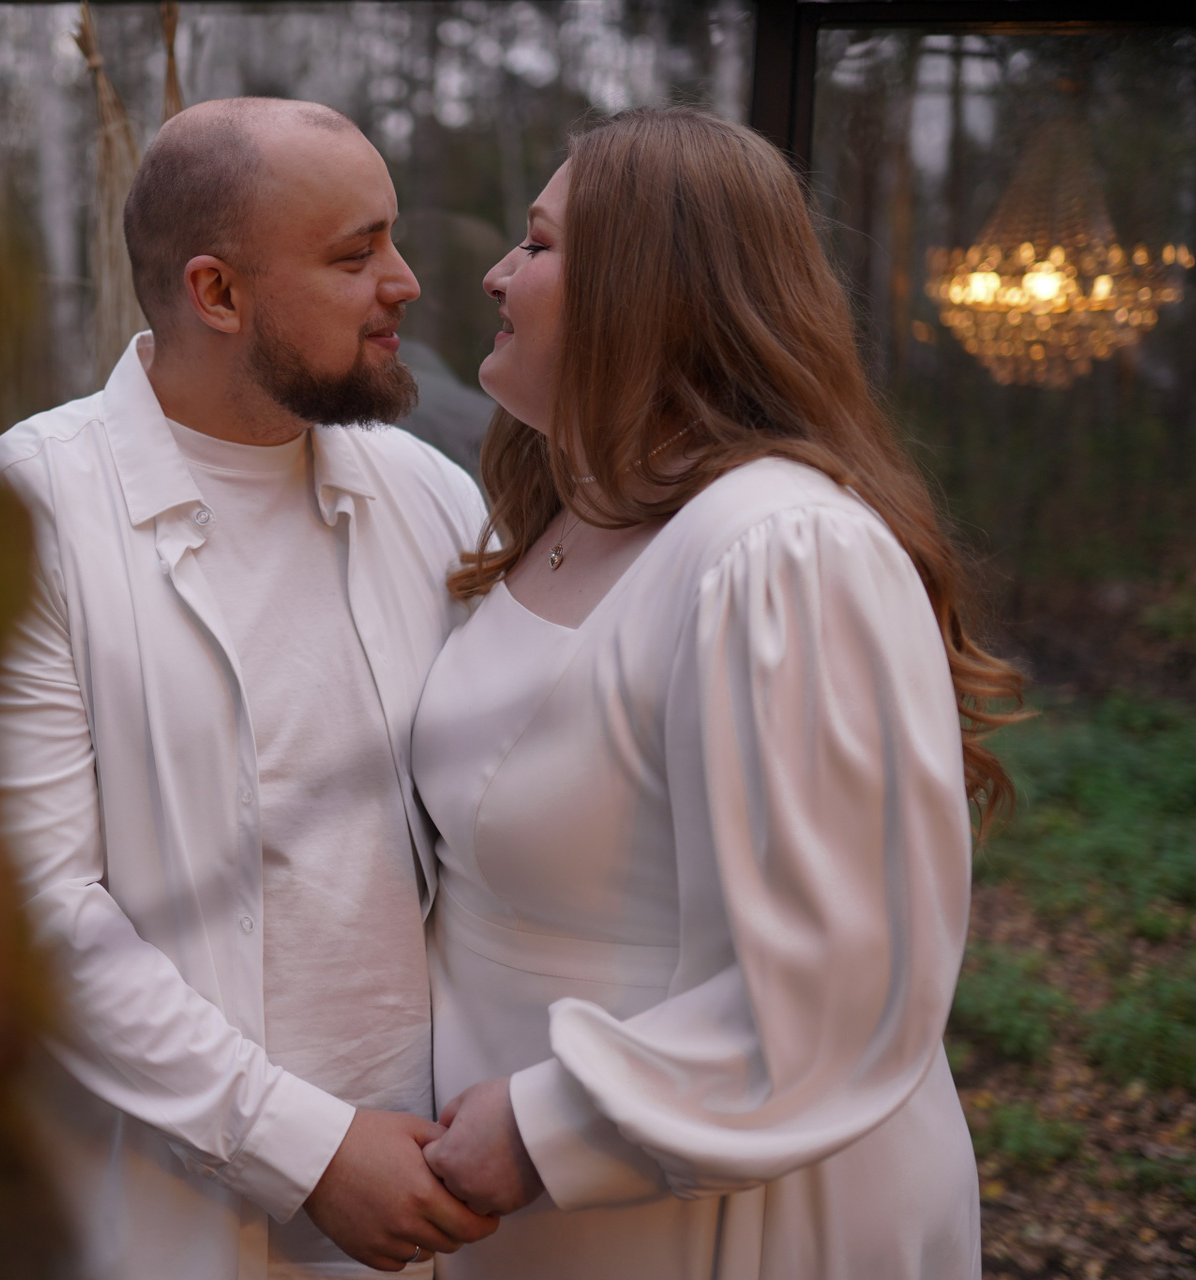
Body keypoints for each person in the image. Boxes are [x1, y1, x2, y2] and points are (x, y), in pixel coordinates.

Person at [410, 106, 1024, 1277]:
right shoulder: (569, 518)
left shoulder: (783, 549)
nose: (496, 273)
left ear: (647, 290)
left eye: (539, 244)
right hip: (532, 1217)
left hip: (725, 1213)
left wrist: (548, 1128)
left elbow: (840, 980)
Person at [0, 98, 496, 1280]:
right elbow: (37, 909)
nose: (406, 283)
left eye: (392, 239)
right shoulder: (31, 509)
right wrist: (308, 1149)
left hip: (431, 1191)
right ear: (216, 293)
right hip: (160, 1204)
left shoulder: (431, 495)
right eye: (355, 255)